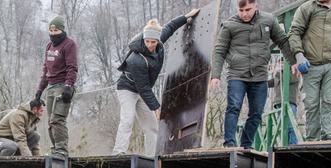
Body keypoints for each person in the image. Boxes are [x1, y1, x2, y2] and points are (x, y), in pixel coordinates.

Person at [111, 10, 200, 156]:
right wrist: (157, 108)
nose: (150, 45)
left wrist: (186, 17)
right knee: (127, 118)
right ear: (144, 40)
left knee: (151, 126)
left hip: (142, 91)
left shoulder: (158, 40)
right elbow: (144, 88)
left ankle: (151, 156)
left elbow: (170, 27)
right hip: (127, 89)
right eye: (147, 42)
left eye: (153, 42)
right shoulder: (136, 59)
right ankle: (118, 151)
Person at [210, 0, 294, 149]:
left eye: (248, 10)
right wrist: (215, 75)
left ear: (256, 6)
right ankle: (229, 143)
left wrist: (293, 62)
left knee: (256, 113)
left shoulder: (268, 20)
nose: (244, 14)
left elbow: (282, 41)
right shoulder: (229, 25)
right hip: (237, 74)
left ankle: (246, 144)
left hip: (259, 75)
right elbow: (219, 50)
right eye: (241, 10)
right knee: (234, 107)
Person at [289, 0, 331, 141]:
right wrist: (299, 55)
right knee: (311, 103)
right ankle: (312, 138)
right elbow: (294, 32)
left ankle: (329, 136)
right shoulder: (307, 8)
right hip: (310, 64)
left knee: (330, 100)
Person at [35, 16, 78, 157]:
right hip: (51, 86)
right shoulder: (49, 46)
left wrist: (68, 86)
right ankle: (55, 149)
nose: (53, 33)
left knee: (57, 119)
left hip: (63, 85)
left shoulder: (69, 44)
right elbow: (45, 70)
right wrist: (39, 92)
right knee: (50, 122)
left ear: (62, 29)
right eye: (51, 30)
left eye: (56, 30)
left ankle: (62, 150)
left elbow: (72, 67)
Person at [268, 60, 301, 145]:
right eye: (280, 62)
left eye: (283, 62)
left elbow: (287, 79)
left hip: (289, 102)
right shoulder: (279, 75)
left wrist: (277, 72)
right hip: (279, 103)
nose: (281, 64)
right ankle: (284, 144)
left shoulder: (294, 73)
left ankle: (293, 145)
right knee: (282, 126)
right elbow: (269, 83)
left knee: (291, 126)